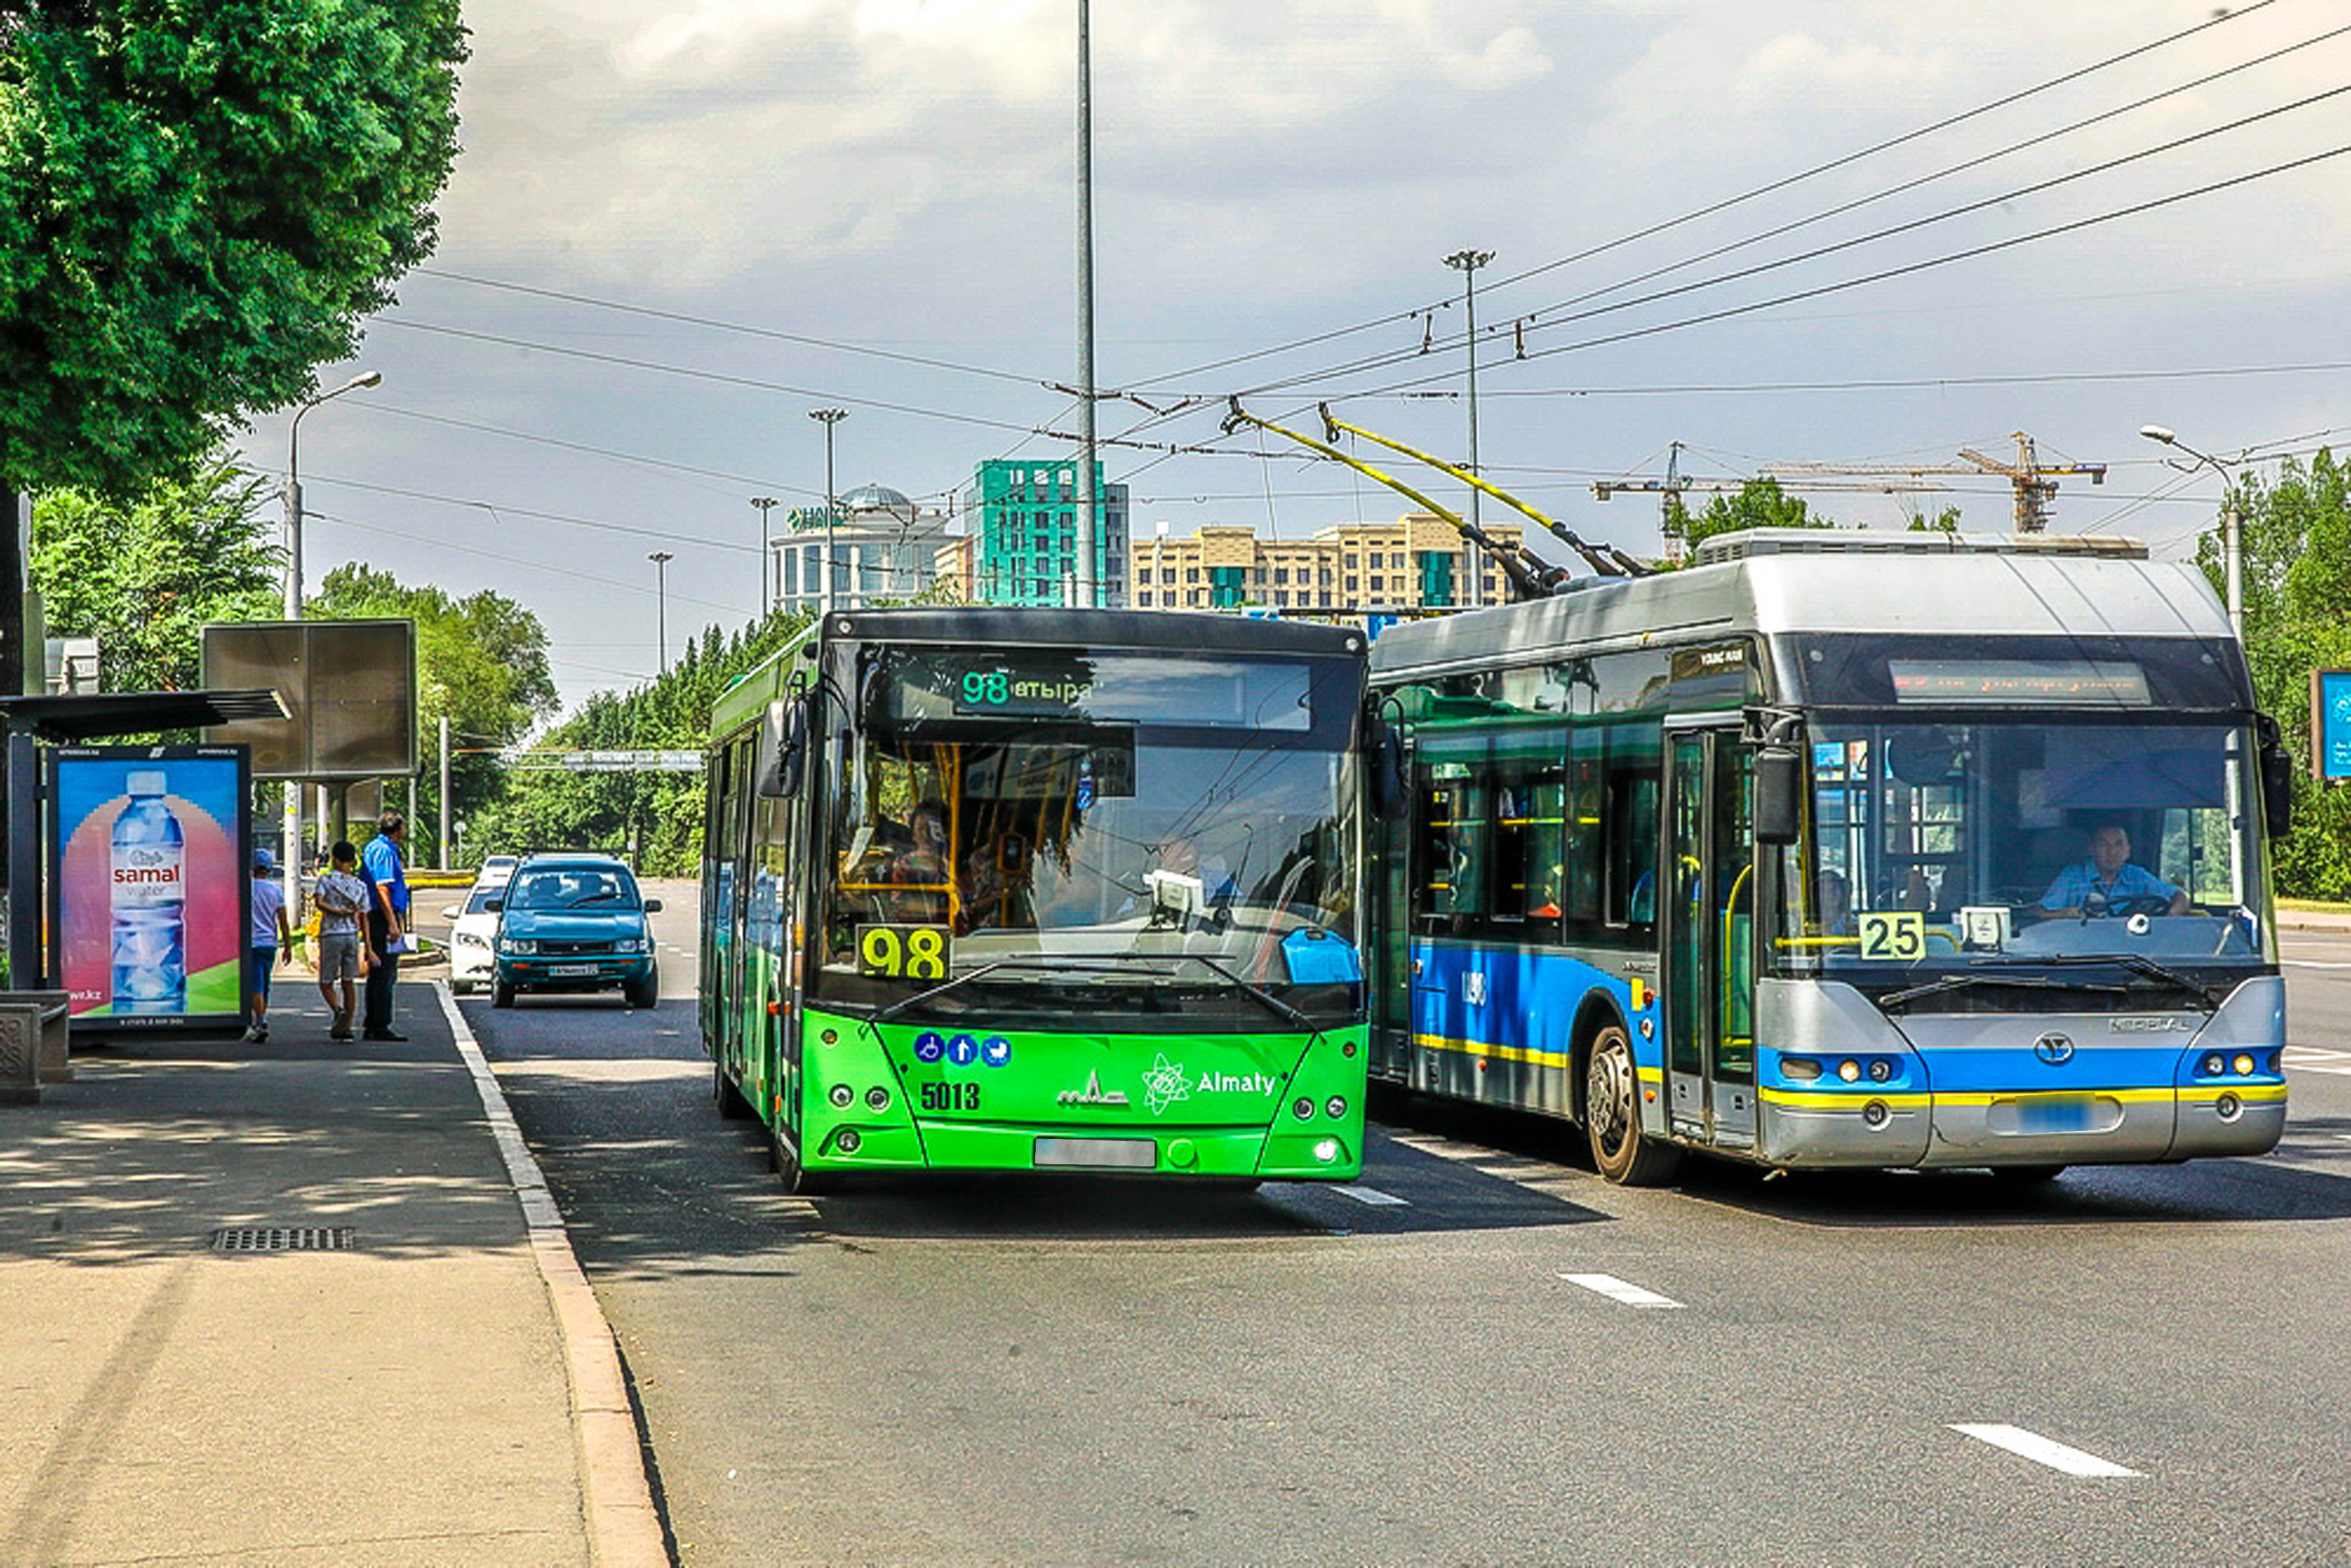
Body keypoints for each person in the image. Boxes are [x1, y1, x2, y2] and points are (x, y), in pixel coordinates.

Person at [2040, 821, 2189, 917]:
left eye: (2119, 845)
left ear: (2128, 852)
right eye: (2104, 845)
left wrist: (2170, 916)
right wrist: (2069, 913)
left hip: (2131, 952)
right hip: (2084, 950)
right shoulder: (2074, 876)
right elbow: (2040, 913)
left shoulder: (2137, 876)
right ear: (2092, 850)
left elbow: (2180, 897)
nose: (2112, 852)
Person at [312, 840, 372, 1042]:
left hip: (331, 934)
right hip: (352, 936)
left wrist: (336, 911)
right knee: (349, 982)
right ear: (353, 861)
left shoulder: (326, 881)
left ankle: (339, 1012)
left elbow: (319, 903)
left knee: (326, 982)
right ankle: (347, 1027)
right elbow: (363, 915)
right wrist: (369, 948)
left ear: (335, 860)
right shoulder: (360, 885)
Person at [360, 811, 411, 1041]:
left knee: (378, 970)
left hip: (379, 915)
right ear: (397, 829)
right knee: (385, 972)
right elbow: (383, 888)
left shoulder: (376, 847)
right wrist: (393, 922)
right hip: (381, 916)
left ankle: (373, 1022)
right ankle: (379, 1024)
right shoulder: (384, 852)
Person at [245, 849, 293, 1042]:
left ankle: (260, 1021)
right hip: (269, 944)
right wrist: (288, 946)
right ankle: (261, 1017)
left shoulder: (246, 888)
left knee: (254, 985)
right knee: (265, 984)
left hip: (251, 943)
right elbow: (283, 920)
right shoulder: (275, 891)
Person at [1815, 867, 1854, 936]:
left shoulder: (1853, 923)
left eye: (1837, 888)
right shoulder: (1808, 926)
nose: (1837, 894)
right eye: (1830, 890)